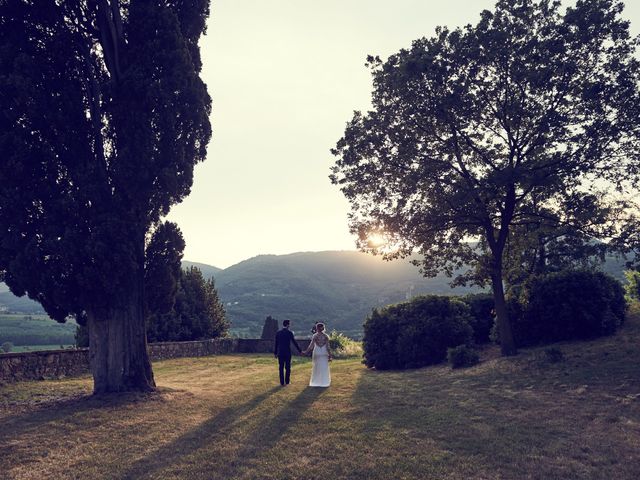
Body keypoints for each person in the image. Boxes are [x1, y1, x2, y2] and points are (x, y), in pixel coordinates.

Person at [274, 319, 302, 386]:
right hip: (287, 352)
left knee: (281, 367)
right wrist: (300, 351)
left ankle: (282, 382)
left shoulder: (278, 333)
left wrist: (275, 353)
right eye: (289, 324)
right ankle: (287, 381)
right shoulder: (289, 333)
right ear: (288, 325)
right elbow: (294, 342)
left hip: (280, 352)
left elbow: (276, 344)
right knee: (288, 367)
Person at [302, 322, 331, 387]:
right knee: (324, 367)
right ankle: (324, 382)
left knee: (316, 367)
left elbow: (311, 346)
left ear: (317, 328)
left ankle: (316, 382)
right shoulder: (326, 336)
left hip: (317, 351)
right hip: (324, 352)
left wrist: (306, 352)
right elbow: (328, 347)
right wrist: (330, 355)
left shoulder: (315, 336)